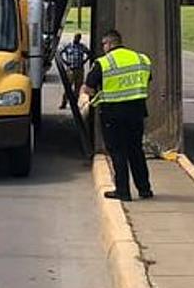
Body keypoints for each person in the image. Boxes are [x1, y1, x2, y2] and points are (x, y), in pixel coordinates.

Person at [81, 29, 153, 201]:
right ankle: (144, 189)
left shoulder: (104, 63)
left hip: (113, 115)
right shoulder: (141, 59)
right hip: (136, 112)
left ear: (110, 43)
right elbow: (147, 80)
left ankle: (123, 191)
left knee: (118, 152)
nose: (103, 48)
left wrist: (91, 95)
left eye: (104, 44)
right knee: (136, 150)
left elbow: (89, 88)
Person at [58, 33, 91, 109]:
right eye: (76, 38)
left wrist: (84, 61)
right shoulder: (69, 46)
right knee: (68, 87)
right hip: (70, 70)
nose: (77, 39)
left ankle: (74, 103)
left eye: (79, 38)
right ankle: (64, 103)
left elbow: (89, 53)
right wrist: (65, 61)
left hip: (79, 70)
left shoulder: (82, 47)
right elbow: (59, 53)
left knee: (78, 88)